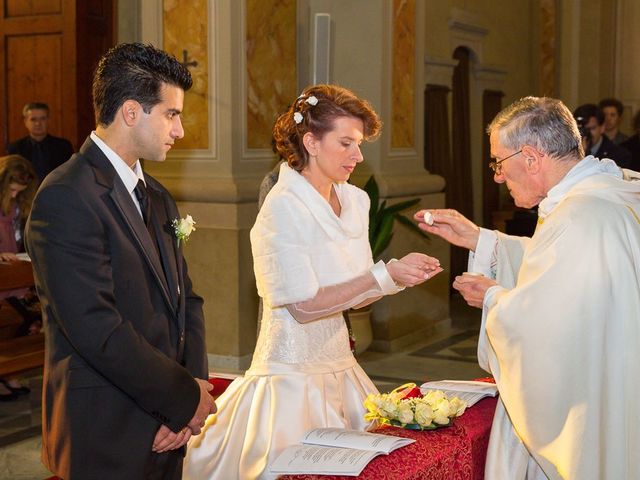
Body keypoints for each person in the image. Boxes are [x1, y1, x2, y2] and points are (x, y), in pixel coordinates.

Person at [184, 84, 443, 479]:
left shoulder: (356, 200)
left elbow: (355, 300)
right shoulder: (282, 207)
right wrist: (383, 274)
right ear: (311, 142)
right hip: (290, 373)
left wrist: (395, 278)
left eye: (359, 144)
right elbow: (303, 308)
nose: (357, 155)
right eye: (346, 143)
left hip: (342, 365)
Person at [416, 96, 640, 479]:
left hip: (586, 404)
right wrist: (480, 239)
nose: (498, 176)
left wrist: (492, 298)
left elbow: (545, 327)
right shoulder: (607, 193)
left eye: (499, 162)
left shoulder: (581, 215)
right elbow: (561, 269)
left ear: (532, 158)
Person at [24, 43, 216, 479]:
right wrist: (181, 399)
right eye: (172, 114)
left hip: (168, 424)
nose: (180, 130)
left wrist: (191, 399)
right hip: (107, 429)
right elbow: (96, 327)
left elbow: (189, 302)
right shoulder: (66, 195)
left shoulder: (160, 197)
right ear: (131, 112)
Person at [0, 154, 39, 401]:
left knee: (29, 317)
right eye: (11, 191)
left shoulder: (16, 205)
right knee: (16, 317)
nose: (15, 196)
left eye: (19, 192)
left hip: (13, 277)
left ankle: (8, 372)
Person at [7, 102, 74, 181]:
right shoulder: (15, 149)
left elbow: (71, 175)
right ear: (25, 122)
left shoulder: (63, 147)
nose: (38, 123)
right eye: (33, 119)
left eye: (42, 119)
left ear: (48, 120)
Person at [573, 103, 632, 168]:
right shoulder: (566, 152)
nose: (586, 134)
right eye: (581, 129)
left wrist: (582, 156)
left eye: (591, 128)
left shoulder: (619, 155)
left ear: (602, 127)